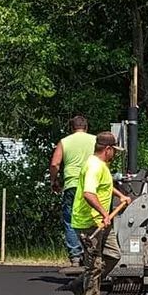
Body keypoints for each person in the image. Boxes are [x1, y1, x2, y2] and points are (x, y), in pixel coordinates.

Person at [72, 131, 130, 295]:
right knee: (94, 264)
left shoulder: (101, 166)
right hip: (89, 223)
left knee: (113, 255)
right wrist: (105, 213)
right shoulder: (93, 166)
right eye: (114, 150)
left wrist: (120, 195)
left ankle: (80, 284)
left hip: (101, 221)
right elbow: (89, 193)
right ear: (107, 149)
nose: (115, 154)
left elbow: (104, 185)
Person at [49, 114, 95, 269]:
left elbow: (55, 164)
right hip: (91, 185)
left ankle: (75, 256)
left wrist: (54, 181)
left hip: (72, 185)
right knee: (91, 219)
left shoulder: (64, 142)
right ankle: (91, 253)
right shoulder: (95, 140)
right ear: (86, 127)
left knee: (70, 220)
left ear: (71, 128)